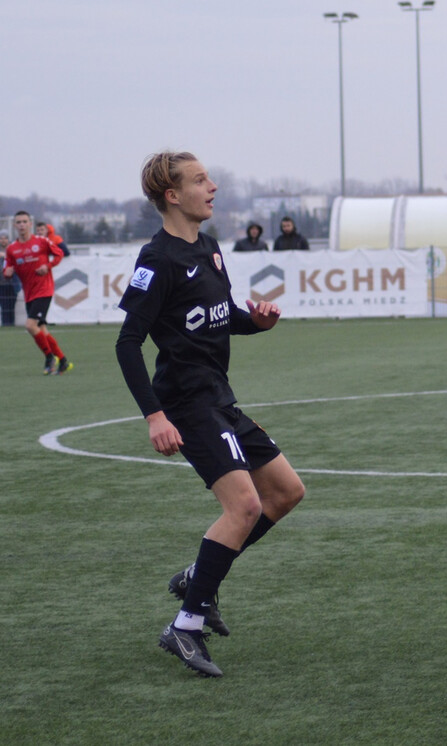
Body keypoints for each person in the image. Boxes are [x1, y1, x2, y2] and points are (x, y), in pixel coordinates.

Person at [116, 152, 305, 678]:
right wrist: (155, 416)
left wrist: (257, 322)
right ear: (172, 195)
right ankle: (186, 623)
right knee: (243, 506)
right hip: (186, 404)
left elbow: (220, 320)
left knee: (287, 492)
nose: (212, 186)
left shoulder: (209, 247)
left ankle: (198, 575)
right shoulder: (157, 261)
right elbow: (127, 344)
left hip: (219, 397)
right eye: (200, 181)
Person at [3, 211, 73, 374]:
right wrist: (7, 272)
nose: (21, 225)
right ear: (14, 225)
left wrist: (47, 266)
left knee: (30, 325)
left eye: (24, 222)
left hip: (44, 289)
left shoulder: (41, 241)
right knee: (41, 329)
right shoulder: (12, 249)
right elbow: (7, 267)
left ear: (30, 224)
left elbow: (59, 253)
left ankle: (49, 358)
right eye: (18, 222)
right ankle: (62, 361)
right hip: (29, 293)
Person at [0, 231, 19, 327]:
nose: (3, 240)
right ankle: (5, 324)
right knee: (4, 307)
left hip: (12, 283)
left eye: (5, 238)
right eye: (1, 238)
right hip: (1, 284)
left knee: (11, 306)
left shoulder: (13, 249)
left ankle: (11, 324)